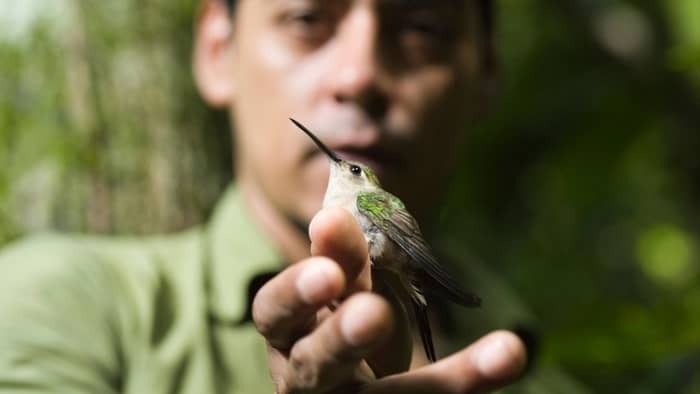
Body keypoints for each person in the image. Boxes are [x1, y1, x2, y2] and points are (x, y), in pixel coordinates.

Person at [0, 0, 587, 392]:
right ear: (214, 49)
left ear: (486, 73)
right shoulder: (57, 300)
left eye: (422, 27)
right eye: (308, 17)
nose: (358, 76)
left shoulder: (542, 376)